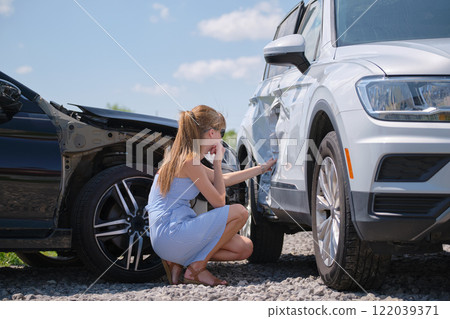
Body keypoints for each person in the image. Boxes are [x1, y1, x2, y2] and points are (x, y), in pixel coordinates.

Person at [146, 105, 276, 286]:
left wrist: (262, 168)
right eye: (221, 132)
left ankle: (179, 261)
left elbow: (223, 178)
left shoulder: (183, 158)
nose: (222, 138)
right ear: (212, 133)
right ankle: (196, 268)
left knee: (244, 248)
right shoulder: (190, 160)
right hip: (171, 233)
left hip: (169, 235)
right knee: (239, 212)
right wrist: (216, 162)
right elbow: (219, 202)